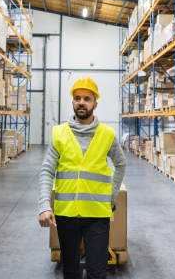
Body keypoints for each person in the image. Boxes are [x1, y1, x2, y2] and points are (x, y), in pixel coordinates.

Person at [38, 77, 126, 279]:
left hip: (97, 215)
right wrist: (44, 205)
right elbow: (47, 170)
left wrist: (111, 195)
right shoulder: (59, 134)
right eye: (77, 98)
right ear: (72, 102)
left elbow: (121, 164)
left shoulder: (107, 134)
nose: (81, 102)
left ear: (95, 103)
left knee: (97, 272)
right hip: (66, 215)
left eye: (87, 98)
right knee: (70, 271)